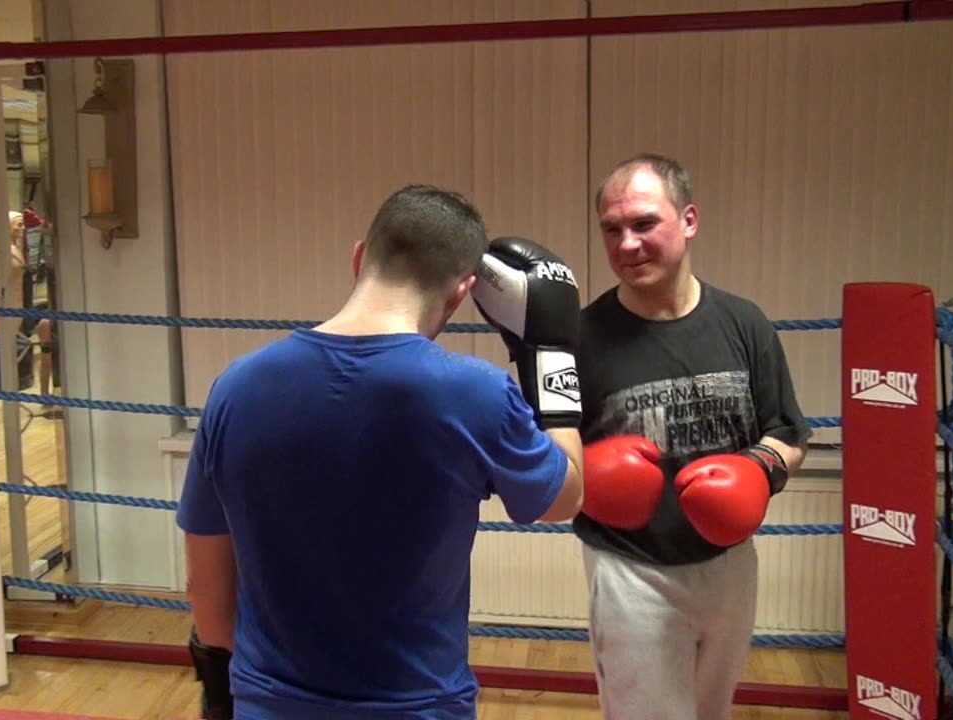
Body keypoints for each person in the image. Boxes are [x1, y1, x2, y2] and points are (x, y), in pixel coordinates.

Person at [175, 184, 586, 720]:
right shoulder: (475, 394)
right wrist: (550, 354)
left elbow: (207, 596)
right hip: (417, 709)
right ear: (462, 292)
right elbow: (564, 497)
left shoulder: (236, 387)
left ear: (358, 258)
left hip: (269, 706)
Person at [573, 153, 811, 720]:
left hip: (729, 566)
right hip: (631, 570)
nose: (627, 244)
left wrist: (757, 470)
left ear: (689, 220)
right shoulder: (579, 338)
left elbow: (789, 432)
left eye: (644, 223)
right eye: (612, 229)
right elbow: (541, 456)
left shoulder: (743, 323)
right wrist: (588, 474)